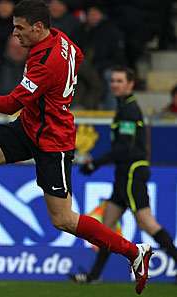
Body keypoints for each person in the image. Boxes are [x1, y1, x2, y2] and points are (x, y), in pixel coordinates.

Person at [0, 1, 152, 294]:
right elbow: (78, 58)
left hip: (52, 140)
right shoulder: (63, 40)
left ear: (38, 28)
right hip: (30, 125)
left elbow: (9, 104)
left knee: (63, 219)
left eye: (20, 28)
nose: (14, 33)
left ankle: (135, 252)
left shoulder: (45, 63)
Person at [69, 66, 177, 284]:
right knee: (106, 228)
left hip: (131, 173)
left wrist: (94, 164)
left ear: (130, 84)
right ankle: (94, 276)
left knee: (147, 223)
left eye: (119, 81)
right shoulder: (124, 108)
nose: (114, 85)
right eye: (113, 81)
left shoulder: (129, 110)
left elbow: (124, 149)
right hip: (124, 175)